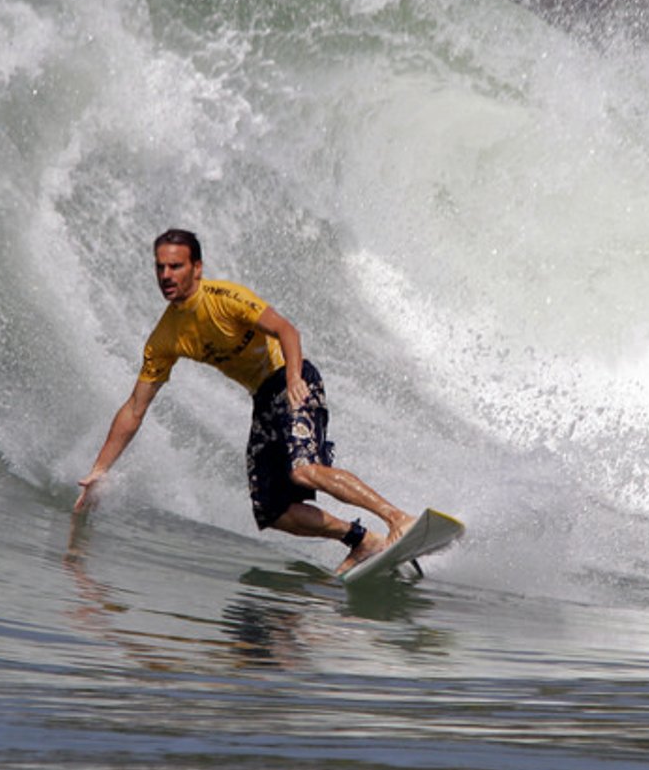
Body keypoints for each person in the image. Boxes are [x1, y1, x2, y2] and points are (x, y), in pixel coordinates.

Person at [76, 229, 414, 572]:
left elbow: (286, 330)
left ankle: (398, 518)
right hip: (264, 399)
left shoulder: (225, 297)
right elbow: (135, 407)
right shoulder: (165, 337)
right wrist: (100, 470)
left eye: (175, 266)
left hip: (291, 378)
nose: (165, 276)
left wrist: (295, 378)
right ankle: (361, 540)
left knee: (305, 470)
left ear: (197, 268)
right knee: (273, 512)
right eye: (160, 268)